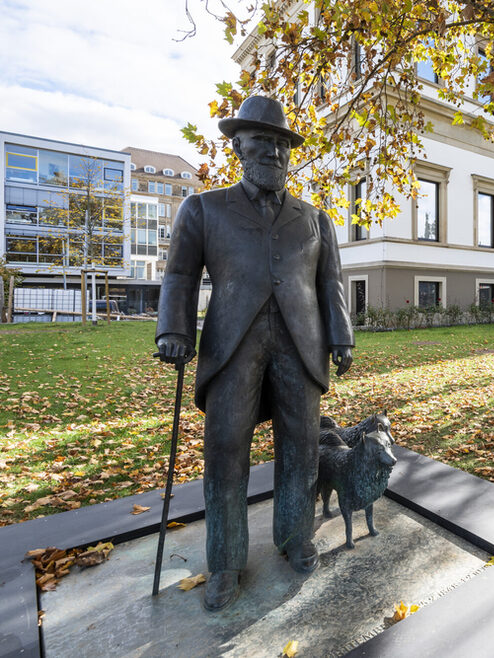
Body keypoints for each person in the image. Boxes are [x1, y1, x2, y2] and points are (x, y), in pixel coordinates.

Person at [154, 96, 354, 612]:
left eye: (282, 144)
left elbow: (330, 281)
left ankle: (295, 538)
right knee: (225, 453)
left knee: (303, 447)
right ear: (238, 146)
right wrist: (172, 330)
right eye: (262, 141)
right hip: (231, 346)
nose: (274, 152)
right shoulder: (203, 208)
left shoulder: (314, 219)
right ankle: (225, 562)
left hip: (300, 345)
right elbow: (179, 275)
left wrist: (341, 336)